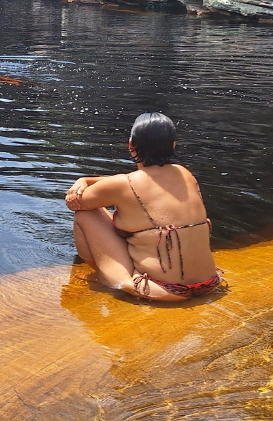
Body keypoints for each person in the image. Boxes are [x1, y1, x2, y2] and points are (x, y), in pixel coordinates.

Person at [65, 113, 222, 301]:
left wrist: (81, 182)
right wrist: (87, 180)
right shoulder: (185, 174)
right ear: (173, 145)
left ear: (131, 144)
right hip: (209, 282)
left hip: (160, 290)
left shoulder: (124, 185)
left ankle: (102, 275)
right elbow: (128, 183)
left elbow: (76, 202)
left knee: (85, 214)